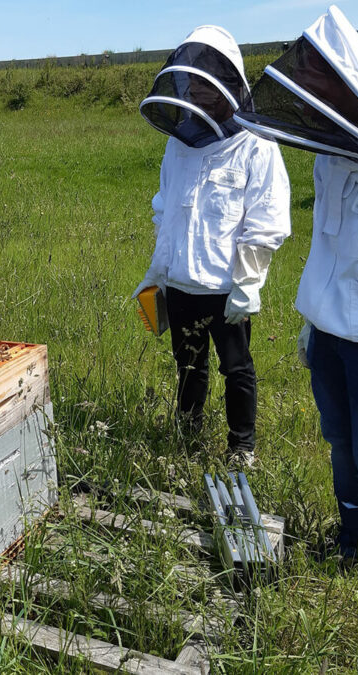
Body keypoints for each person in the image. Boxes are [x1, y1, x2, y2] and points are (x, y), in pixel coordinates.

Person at [234, 5, 358, 583]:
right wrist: (313, 318)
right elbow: (328, 242)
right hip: (331, 332)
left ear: (351, 84)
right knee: (340, 443)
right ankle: (357, 539)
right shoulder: (330, 138)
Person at [134, 25, 291, 466]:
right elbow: (166, 209)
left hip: (227, 287)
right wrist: (158, 272)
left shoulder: (256, 143)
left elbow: (266, 219)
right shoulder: (179, 143)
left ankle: (242, 448)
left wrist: (247, 284)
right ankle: (188, 436)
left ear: (229, 81)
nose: (197, 90)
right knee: (189, 366)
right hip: (182, 280)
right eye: (192, 80)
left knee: (236, 369)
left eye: (207, 81)